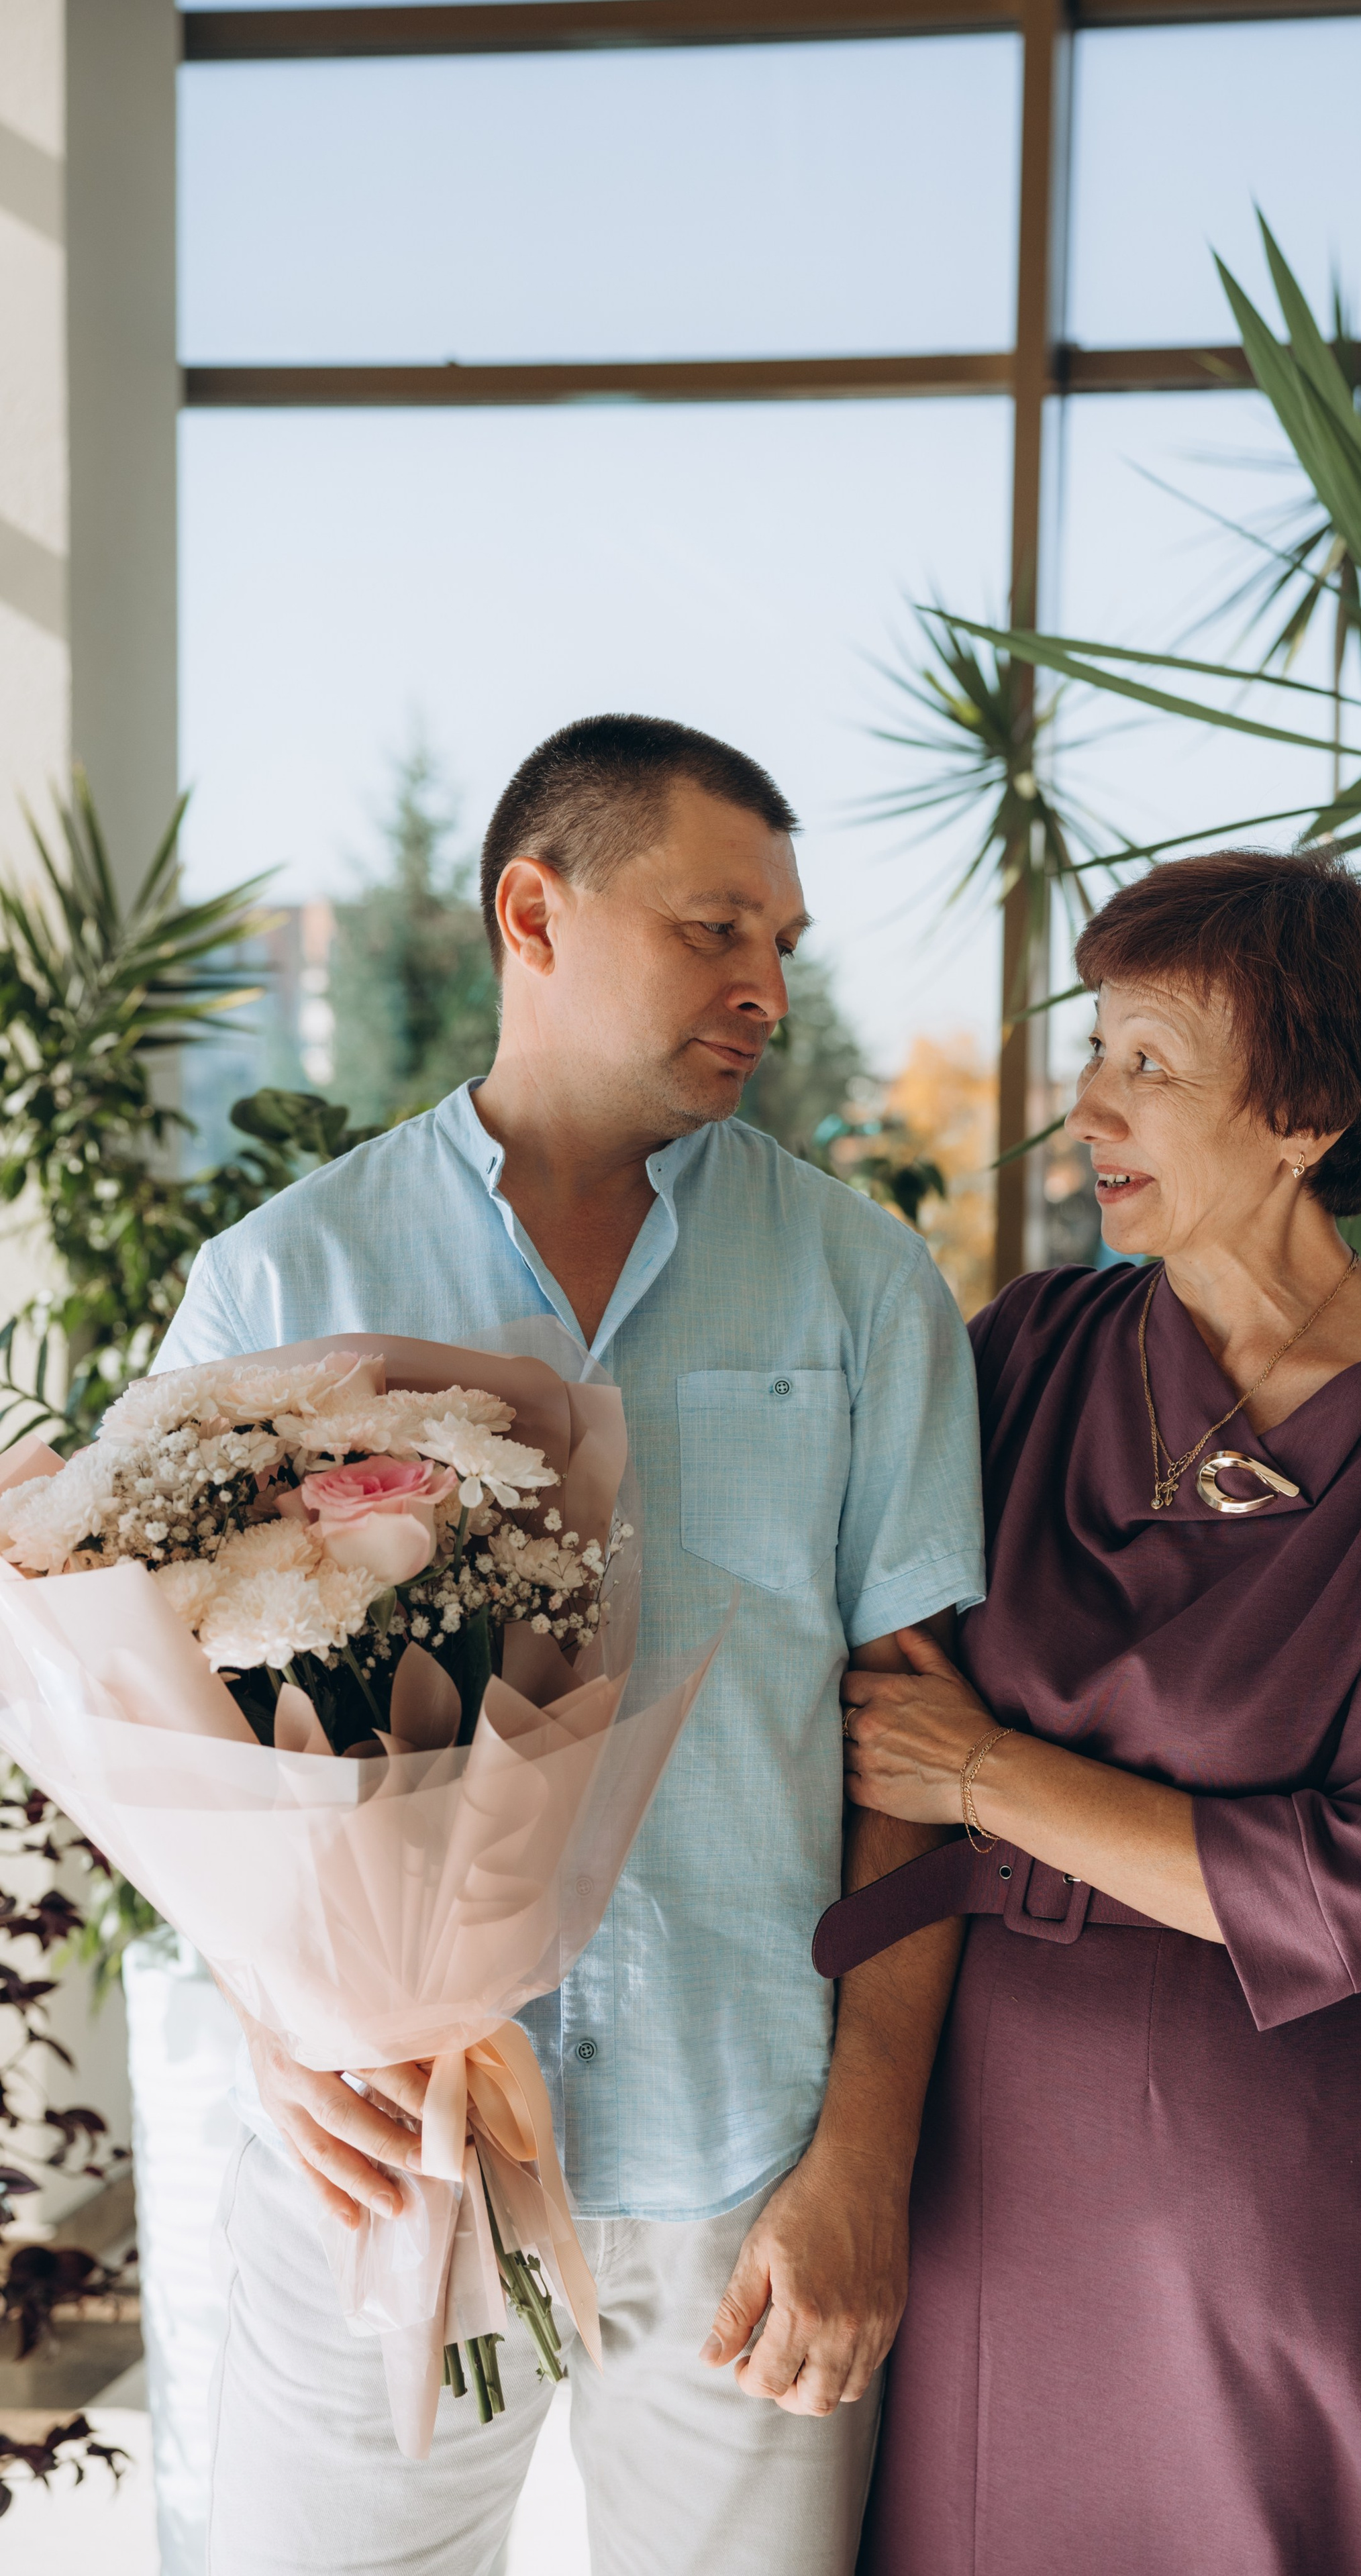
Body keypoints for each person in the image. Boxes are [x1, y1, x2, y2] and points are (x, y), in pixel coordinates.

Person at [156, 714, 982, 2576]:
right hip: (382, 2151)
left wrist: (863, 2159)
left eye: (785, 944)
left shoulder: (868, 1287)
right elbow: (182, 1726)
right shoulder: (283, 1285)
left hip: (745, 2170)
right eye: (716, 929)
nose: (765, 983)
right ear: (535, 909)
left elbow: (923, 1751)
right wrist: (278, 2031)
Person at [829, 846, 1361, 2576]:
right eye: (1095, 1050)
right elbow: (884, 1711)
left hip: (1276, 2202)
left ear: (1306, 1115)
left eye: (1148, 1063)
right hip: (977, 2164)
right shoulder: (1025, 1351)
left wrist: (993, 1775)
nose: (1091, 1102)